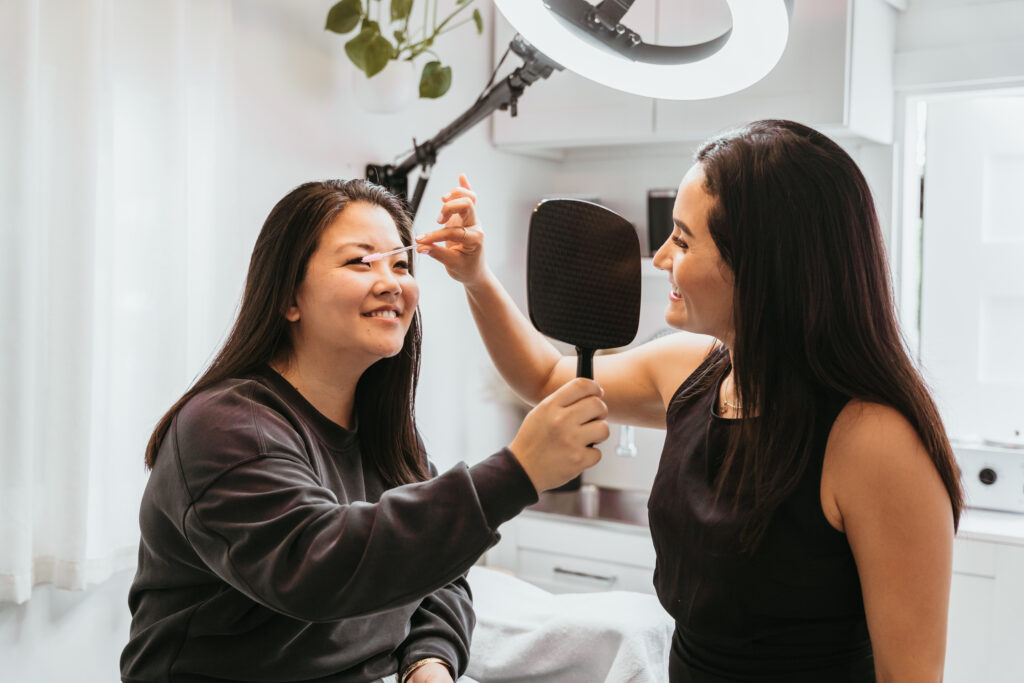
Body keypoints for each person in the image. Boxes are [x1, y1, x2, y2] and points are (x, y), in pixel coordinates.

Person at [417, 120, 964, 682]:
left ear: (759, 262)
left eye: (681, 239)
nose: (658, 259)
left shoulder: (875, 441)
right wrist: (476, 277)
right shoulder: (692, 371)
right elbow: (545, 377)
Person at [119, 179, 610, 683]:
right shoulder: (223, 427)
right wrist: (516, 472)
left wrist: (430, 657)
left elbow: (437, 571)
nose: (392, 282)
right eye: (361, 262)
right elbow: (319, 568)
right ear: (289, 297)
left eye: (400, 263)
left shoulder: (383, 431)